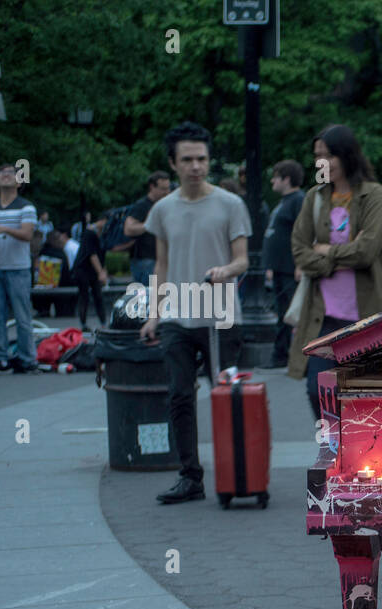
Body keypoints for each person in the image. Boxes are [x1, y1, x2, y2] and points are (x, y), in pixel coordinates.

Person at [138, 121, 252, 505]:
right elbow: (161, 264)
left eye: (202, 158)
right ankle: (190, 477)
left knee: (226, 395)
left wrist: (226, 270)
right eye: (187, 159)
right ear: (173, 163)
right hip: (177, 315)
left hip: (221, 315)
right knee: (179, 397)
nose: (196, 166)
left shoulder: (230, 204)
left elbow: (242, 261)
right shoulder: (162, 209)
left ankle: (236, 473)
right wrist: (153, 313)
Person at [287, 124, 382, 422]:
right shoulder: (314, 198)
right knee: (317, 390)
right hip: (323, 318)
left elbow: (367, 251)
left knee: (366, 396)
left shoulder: (374, 195)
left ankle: (359, 453)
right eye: (317, 157)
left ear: (346, 156)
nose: (321, 163)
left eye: (328, 156)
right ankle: (332, 448)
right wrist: (334, 257)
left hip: (366, 315)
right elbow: (299, 250)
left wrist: (324, 251)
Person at [0, 163, 39, 374]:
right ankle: (0, 358)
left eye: (10, 173)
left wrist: (1, 228)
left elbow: (27, 235)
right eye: (1, 173)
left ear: (19, 182)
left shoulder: (26, 207)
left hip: (19, 268)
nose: (5, 176)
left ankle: (27, 359)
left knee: (22, 316)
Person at [263, 159, 305, 367]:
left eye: (276, 176)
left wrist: (300, 264)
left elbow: (303, 233)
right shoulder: (284, 201)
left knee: (292, 314)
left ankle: (292, 355)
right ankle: (281, 355)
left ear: (286, 179)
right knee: (282, 314)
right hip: (280, 268)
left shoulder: (298, 200)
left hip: (290, 268)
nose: (272, 181)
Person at [124, 171, 172, 287]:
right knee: (150, 297)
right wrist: (149, 223)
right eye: (162, 189)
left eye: (168, 189)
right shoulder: (142, 205)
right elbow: (128, 229)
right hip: (145, 260)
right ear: (152, 187)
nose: (166, 192)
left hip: (159, 260)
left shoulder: (164, 205)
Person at [73, 212, 108, 330]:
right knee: (84, 296)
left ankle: (103, 323)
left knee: (98, 296)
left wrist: (103, 271)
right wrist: (101, 273)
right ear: (103, 220)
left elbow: (102, 255)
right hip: (83, 269)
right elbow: (92, 254)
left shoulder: (103, 234)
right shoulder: (89, 233)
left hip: (93, 270)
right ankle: (83, 324)